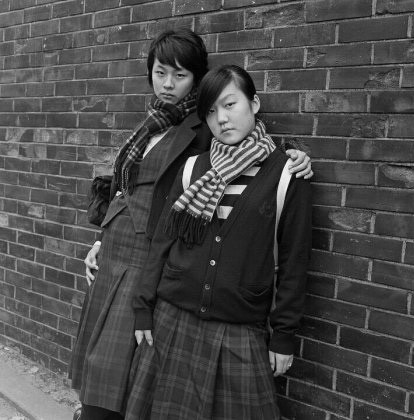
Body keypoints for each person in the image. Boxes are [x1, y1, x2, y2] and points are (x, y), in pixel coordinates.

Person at [69, 29, 312, 420]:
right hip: (117, 258)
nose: (168, 84)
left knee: (119, 378)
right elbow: (125, 188)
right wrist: (100, 241)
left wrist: (295, 156)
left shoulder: (201, 129)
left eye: (179, 75)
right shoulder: (152, 125)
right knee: (101, 374)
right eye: (160, 72)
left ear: (196, 79)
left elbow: (243, 151)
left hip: (148, 261)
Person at [125, 65, 312, 420]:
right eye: (210, 111)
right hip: (171, 319)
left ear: (254, 104)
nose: (221, 119)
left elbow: (294, 264)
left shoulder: (288, 174)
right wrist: (143, 309)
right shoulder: (193, 169)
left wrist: (284, 335)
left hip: (239, 328)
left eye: (230, 105)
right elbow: (162, 244)